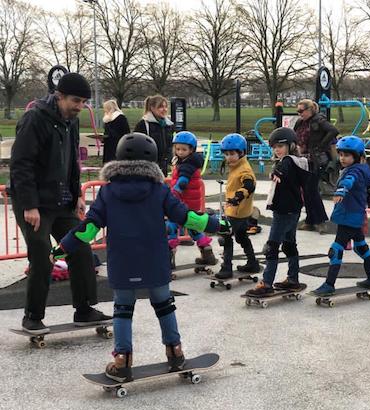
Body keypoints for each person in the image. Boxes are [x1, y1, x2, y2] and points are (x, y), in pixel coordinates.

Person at [50, 132, 230, 382]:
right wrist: (215, 224)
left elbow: (88, 228)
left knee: (123, 309)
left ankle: (122, 360)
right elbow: (185, 216)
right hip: (154, 259)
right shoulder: (159, 190)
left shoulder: (108, 193)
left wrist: (62, 247)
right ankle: (175, 351)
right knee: (164, 306)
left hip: (123, 261)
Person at [9, 72, 111, 335]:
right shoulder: (35, 119)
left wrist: (77, 194)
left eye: (83, 102)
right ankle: (32, 316)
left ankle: (85, 308)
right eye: (75, 101)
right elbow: (21, 165)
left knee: (80, 248)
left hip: (62, 200)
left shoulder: (71, 122)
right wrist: (29, 205)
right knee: (42, 256)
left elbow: (72, 162)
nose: (79, 106)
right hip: (34, 204)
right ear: (59, 96)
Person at [311, 136, 370, 295]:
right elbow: (369, 189)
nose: (342, 158)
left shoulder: (355, 171)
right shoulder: (364, 170)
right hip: (355, 215)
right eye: (341, 154)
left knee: (336, 250)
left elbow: (348, 181)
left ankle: (329, 284)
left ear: (356, 157)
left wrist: (341, 190)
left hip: (348, 217)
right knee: (361, 247)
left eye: (347, 155)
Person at [246, 128, 309, 296]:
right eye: (274, 147)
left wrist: (276, 172)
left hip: (283, 211)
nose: (277, 150)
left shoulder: (287, 162)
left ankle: (266, 283)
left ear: (291, 145)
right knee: (289, 245)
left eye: (280, 146)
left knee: (272, 247)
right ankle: (293, 279)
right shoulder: (299, 161)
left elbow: (283, 169)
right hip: (293, 209)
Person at [166, 131, 217, 268]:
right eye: (177, 149)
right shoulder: (189, 161)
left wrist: (172, 196)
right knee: (194, 227)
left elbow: (182, 182)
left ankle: (168, 259)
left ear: (191, 150)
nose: (180, 152)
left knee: (171, 227)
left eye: (184, 149)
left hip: (181, 203)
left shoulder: (187, 165)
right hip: (191, 203)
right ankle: (207, 253)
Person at [214, 133, 260, 279]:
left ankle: (226, 267)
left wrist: (237, 197)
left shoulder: (244, 169)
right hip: (239, 210)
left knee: (226, 236)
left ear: (242, 152)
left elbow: (249, 185)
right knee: (241, 236)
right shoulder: (237, 166)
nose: (229, 157)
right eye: (226, 154)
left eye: (232, 154)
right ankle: (252, 262)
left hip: (237, 210)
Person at [293, 99, 338, 232]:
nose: (299, 113)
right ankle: (310, 220)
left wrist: (321, 146)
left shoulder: (319, 120)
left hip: (315, 161)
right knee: (306, 191)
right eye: (298, 111)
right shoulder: (300, 122)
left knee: (311, 190)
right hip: (303, 160)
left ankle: (320, 220)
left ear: (310, 110)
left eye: (301, 111)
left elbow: (333, 131)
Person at [134, 95, 173, 176]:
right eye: (161, 107)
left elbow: (170, 144)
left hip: (164, 164)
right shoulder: (143, 124)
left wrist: (170, 159)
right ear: (152, 108)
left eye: (166, 107)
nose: (164, 109)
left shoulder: (169, 125)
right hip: (148, 165)